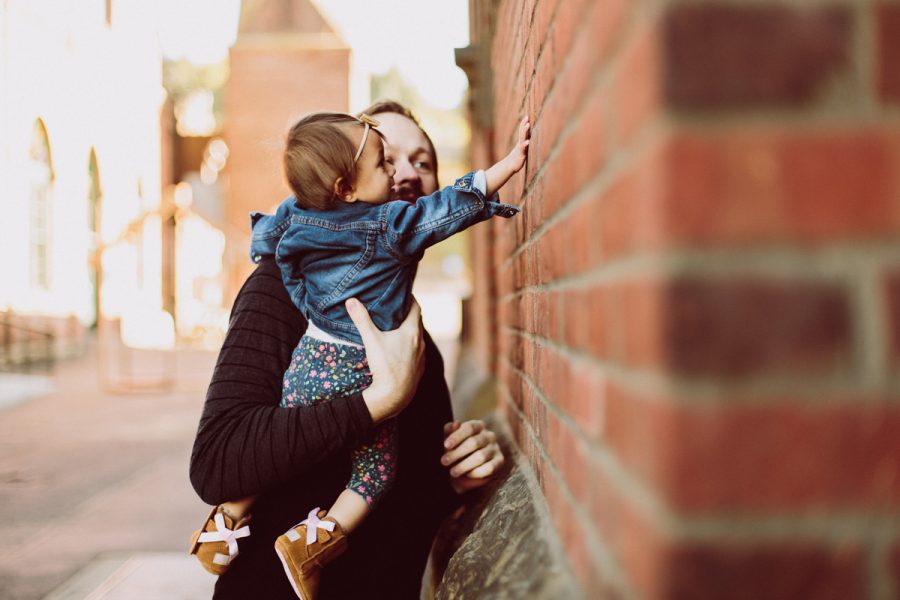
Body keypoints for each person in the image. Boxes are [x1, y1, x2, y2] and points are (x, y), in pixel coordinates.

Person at [189, 101, 507, 599]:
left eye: (422, 162)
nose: (403, 172)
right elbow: (218, 461)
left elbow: (405, 501)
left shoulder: (417, 342)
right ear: (343, 186)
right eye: (387, 157)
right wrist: (378, 403)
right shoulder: (279, 289)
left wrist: (457, 480)